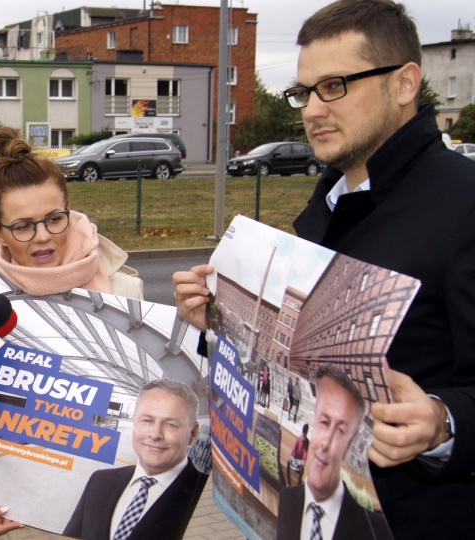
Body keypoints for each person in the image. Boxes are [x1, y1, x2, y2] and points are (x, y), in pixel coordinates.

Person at [173, 1, 475, 536]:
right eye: (303, 92)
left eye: (334, 86)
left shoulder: (464, 203)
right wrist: (217, 324)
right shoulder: (332, 201)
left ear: (405, 84)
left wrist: (444, 423)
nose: (311, 109)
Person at [0, 126, 144, 539]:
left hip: (106, 495)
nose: (44, 237)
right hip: (20, 505)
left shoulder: (123, 288)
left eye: (55, 218)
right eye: (23, 226)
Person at [63, 379, 208, 540]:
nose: (155, 434)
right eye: (147, 420)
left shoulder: (205, 498)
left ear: (193, 433)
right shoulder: (100, 481)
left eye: (171, 425)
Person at [276, 365, 390, 540]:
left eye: (340, 431)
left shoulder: (376, 532)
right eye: (324, 422)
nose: (325, 443)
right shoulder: (287, 500)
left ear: (349, 444)